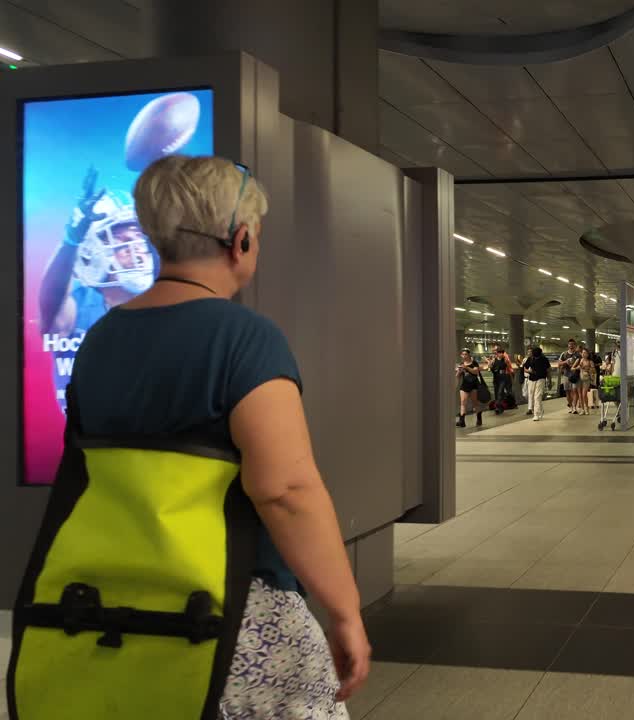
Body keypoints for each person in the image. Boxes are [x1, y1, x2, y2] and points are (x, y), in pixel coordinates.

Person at [18, 155, 370, 717]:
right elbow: (286, 491)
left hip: (120, 607)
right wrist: (345, 610)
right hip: (230, 609)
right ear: (241, 241)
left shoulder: (102, 339)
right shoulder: (246, 340)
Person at [39, 169, 158, 413]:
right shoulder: (80, 307)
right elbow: (50, 311)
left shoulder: (165, 300)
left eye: (138, 239)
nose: (136, 250)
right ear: (92, 251)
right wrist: (71, 240)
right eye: (124, 242)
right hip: (92, 441)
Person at [524, 346, 551, 421]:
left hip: (541, 379)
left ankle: (536, 414)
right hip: (531, 379)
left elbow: (548, 370)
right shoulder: (530, 359)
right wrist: (529, 371)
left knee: (537, 396)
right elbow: (525, 368)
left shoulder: (544, 359)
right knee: (532, 396)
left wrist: (549, 381)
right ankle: (540, 410)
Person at [457, 349, 483, 427]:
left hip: (473, 385)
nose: (464, 356)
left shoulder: (474, 363)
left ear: (469, 355)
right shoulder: (461, 364)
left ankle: (479, 417)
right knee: (463, 402)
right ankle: (462, 421)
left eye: (465, 354)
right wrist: (459, 371)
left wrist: (467, 368)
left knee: (475, 403)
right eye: (462, 354)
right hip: (464, 385)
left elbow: (476, 372)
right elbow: (458, 376)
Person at [559, 339, 580, 412]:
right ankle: (571, 406)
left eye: (573, 344)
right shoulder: (564, 354)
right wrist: (566, 361)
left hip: (575, 375)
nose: (571, 345)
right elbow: (559, 363)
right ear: (568, 345)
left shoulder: (578, 354)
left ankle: (574, 407)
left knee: (574, 391)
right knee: (567, 391)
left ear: (575, 345)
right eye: (570, 344)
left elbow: (580, 363)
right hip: (566, 375)